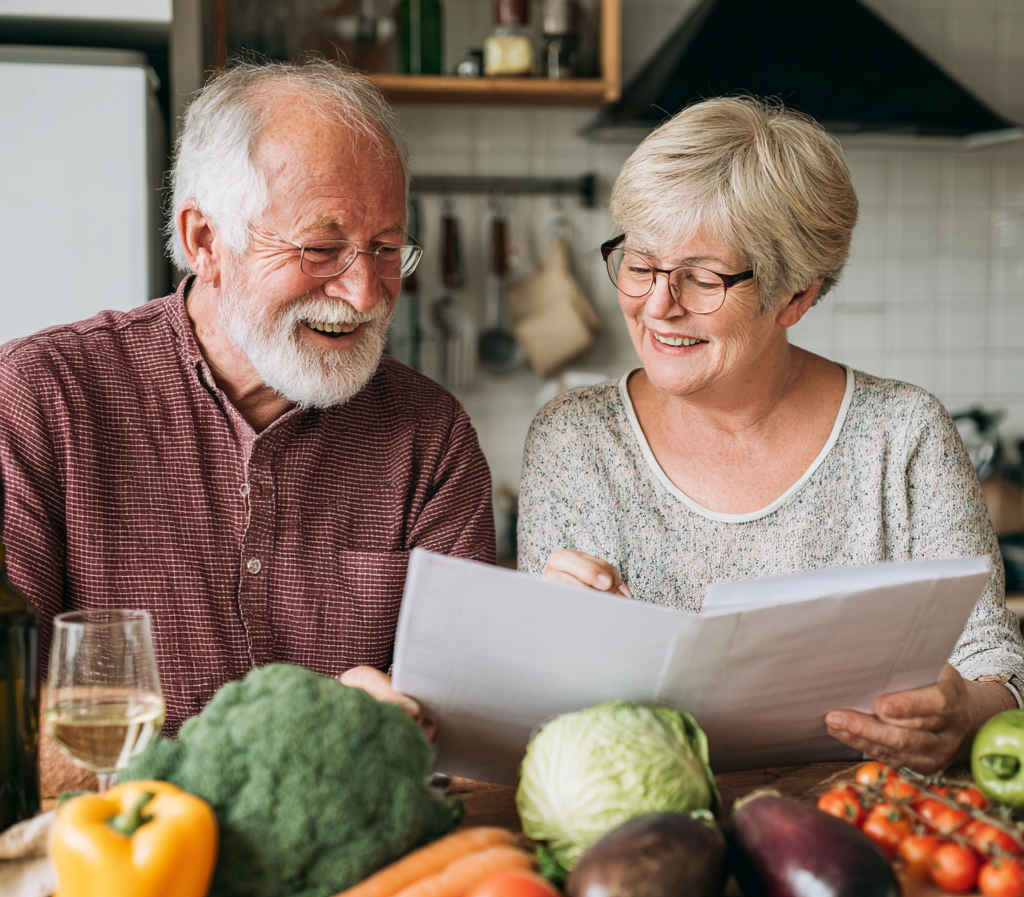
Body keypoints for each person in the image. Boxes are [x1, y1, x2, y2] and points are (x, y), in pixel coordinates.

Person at [0, 61, 494, 794]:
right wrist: (292, 740)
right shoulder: (41, 399)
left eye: (386, 248)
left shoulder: (430, 436)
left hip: (355, 886)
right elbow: (13, 740)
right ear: (204, 240)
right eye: (320, 248)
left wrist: (413, 722)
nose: (363, 292)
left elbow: (471, 734)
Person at [518, 97, 1024, 776]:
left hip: (869, 825)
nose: (658, 304)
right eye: (639, 264)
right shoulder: (573, 439)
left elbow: (997, 669)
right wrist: (543, 641)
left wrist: (963, 713)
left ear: (796, 297)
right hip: (652, 830)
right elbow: (544, 715)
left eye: (700, 277)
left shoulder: (902, 435)